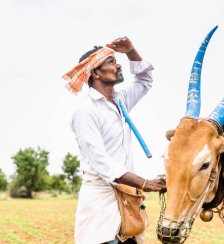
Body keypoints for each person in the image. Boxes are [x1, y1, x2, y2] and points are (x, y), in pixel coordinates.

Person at [63, 36, 166, 244]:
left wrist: (131, 51)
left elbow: (145, 80)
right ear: (96, 73)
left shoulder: (121, 101)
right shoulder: (86, 111)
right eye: (111, 62)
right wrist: (145, 183)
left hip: (127, 200)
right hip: (101, 205)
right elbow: (102, 163)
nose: (118, 65)